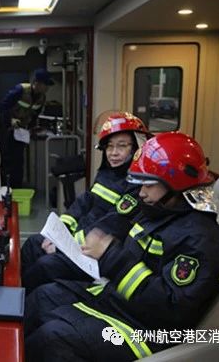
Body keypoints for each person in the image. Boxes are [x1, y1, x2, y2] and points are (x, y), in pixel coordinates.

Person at [24, 132, 219, 361]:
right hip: (121, 302)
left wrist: (111, 257)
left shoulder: (202, 238)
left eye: (149, 185)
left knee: (53, 338)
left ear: (176, 185)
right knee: (40, 299)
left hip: (149, 331)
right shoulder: (158, 210)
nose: (141, 193)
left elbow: (171, 309)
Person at [21, 111, 151, 293]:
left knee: (45, 266)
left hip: (98, 253)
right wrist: (62, 228)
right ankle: (19, 297)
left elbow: (112, 225)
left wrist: (66, 245)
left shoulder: (138, 185)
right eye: (109, 147)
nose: (113, 153)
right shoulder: (106, 173)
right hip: (77, 240)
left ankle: (27, 304)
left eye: (121, 146)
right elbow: (84, 202)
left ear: (137, 148)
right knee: (32, 245)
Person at [0, 68, 54, 188]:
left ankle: (17, 189)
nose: (47, 88)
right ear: (37, 83)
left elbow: (34, 115)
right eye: (45, 84)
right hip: (7, 130)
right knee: (7, 160)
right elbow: (2, 107)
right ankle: (6, 189)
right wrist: (10, 120)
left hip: (22, 132)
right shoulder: (20, 90)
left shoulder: (42, 98)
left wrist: (32, 128)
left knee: (18, 161)